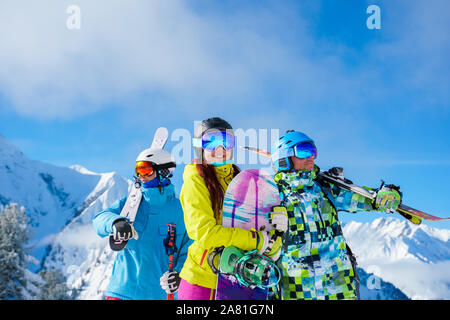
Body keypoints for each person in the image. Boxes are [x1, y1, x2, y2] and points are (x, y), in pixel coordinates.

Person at [270, 130, 402, 300]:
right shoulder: (271, 196)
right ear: (284, 157)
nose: (311, 157)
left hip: (338, 289)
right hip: (295, 289)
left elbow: (368, 199)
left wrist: (386, 196)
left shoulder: (326, 189)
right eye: (304, 151)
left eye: (314, 152)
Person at [177, 117, 287, 300]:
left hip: (238, 281)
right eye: (211, 141)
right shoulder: (195, 179)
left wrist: (275, 232)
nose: (220, 149)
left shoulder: (240, 181)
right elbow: (205, 233)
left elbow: (256, 231)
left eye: (226, 142)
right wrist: (257, 240)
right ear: (199, 146)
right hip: (202, 282)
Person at [93, 146, 190, 300]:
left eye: (146, 170)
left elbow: (189, 249)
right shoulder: (130, 203)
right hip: (124, 292)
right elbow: (99, 220)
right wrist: (115, 222)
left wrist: (180, 274)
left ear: (163, 172)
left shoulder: (181, 211)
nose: (141, 175)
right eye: (138, 170)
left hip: (159, 294)